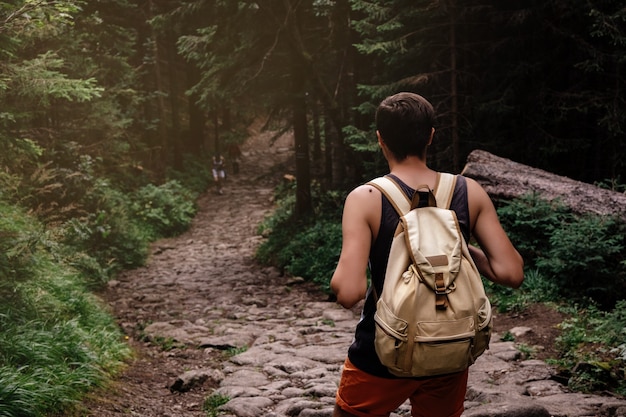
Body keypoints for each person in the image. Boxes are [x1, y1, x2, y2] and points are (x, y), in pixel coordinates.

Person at [330, 92, 524, 417]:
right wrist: (456, 247)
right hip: (449, 346)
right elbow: (511, 273)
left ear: (380, 139)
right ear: (431, 136)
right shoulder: (467, 191)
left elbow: (349, 293)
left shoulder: (365, 198)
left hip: (382, 350)